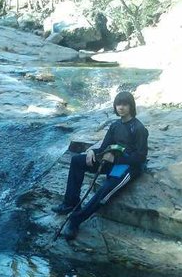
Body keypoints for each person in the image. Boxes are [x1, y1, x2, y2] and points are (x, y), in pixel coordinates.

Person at [52, 91, 149, 240]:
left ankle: (76, 220)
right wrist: (91, 151)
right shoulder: (115, 126)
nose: (121, 107)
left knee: (104, 190)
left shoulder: (138, 128)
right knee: (77, 160)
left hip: (129, 167)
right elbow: (104, 148)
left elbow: (141, 157)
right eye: (118, 104)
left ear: (131, 106)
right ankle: (70, 202)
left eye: (124, 104)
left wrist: (116, 159)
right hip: (111, 160)